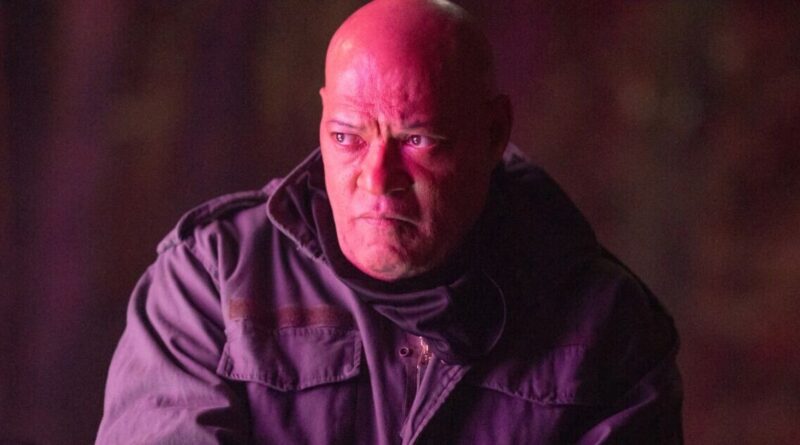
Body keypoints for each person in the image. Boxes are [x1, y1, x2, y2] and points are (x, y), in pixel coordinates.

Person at [96, 0, 683, 443]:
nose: (377, 179)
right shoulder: (209, 281)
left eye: (417, 139)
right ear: (323, 119)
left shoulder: (607, 326)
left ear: (494, 133)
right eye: (346, 138)